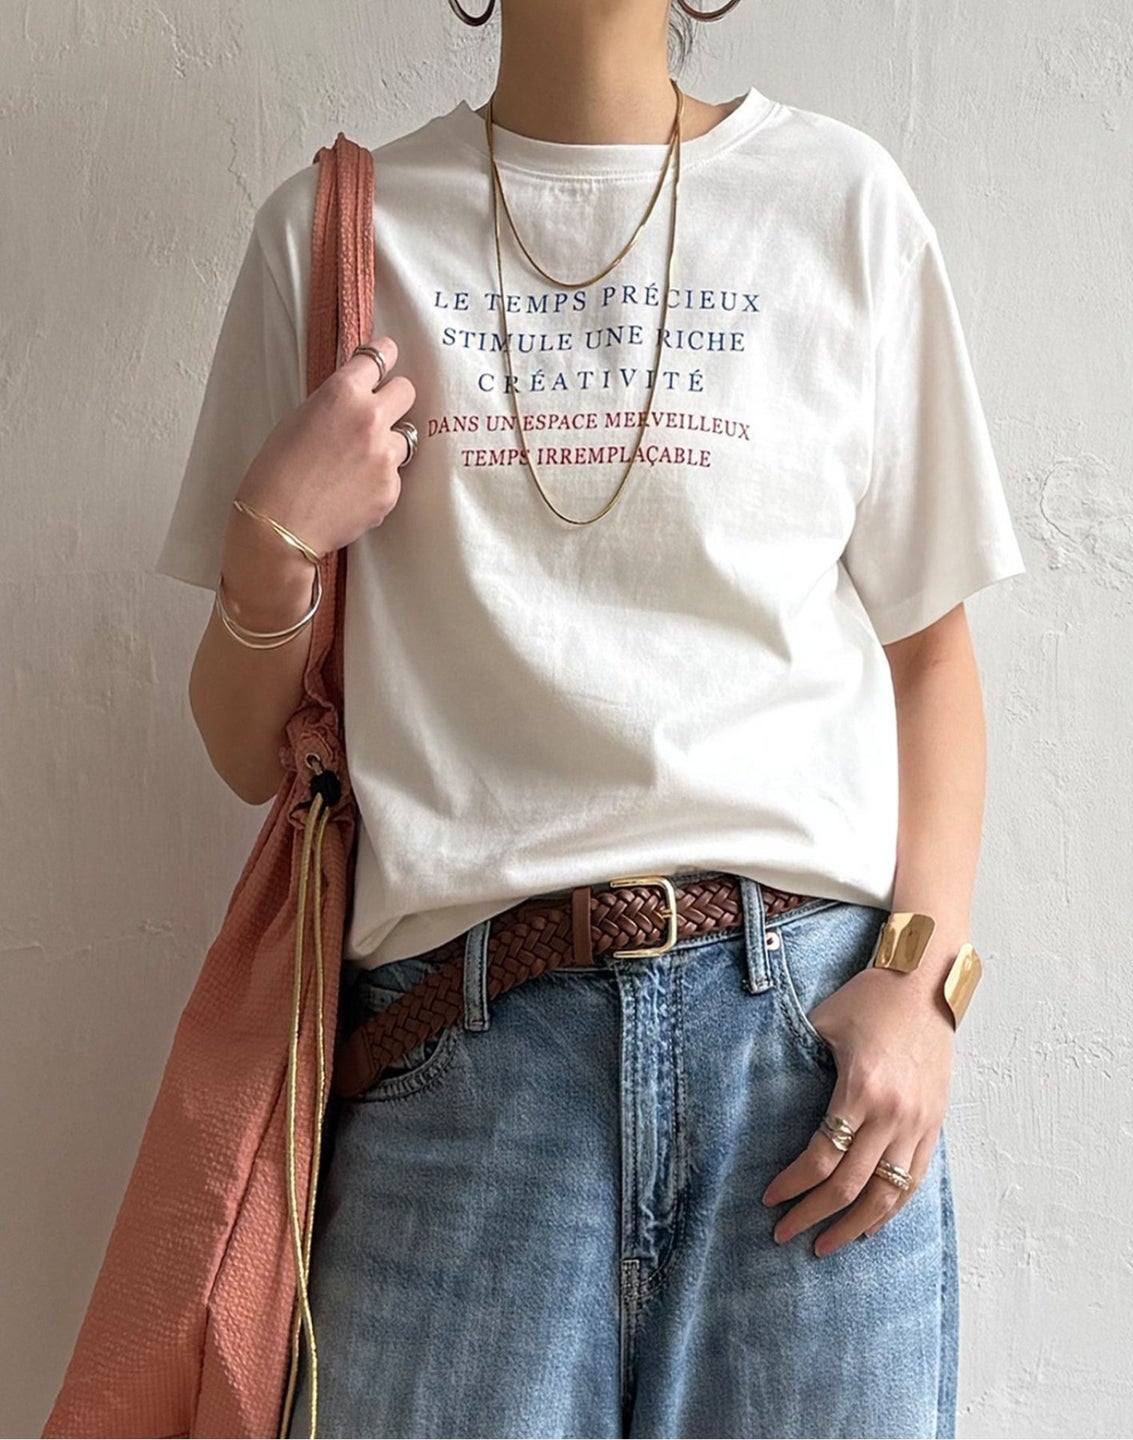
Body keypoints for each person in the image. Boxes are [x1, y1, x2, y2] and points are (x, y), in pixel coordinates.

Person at [152, 2, 1026, 1435]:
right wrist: (271, 546)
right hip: (458, 1076)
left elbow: (931, 659)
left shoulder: (840, 203)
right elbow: (243, 746)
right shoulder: (336, 237)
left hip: (803, 1061)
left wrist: (924, 992)